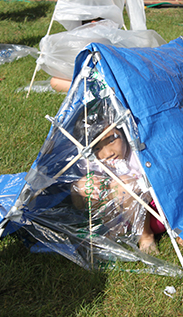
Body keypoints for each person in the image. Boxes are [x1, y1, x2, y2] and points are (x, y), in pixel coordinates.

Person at [70, 101, 164, 253]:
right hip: (121, 217)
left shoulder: (138, 154)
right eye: (97, 148)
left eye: (112, 139)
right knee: (83, 184)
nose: (108, 153)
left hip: (153, 215)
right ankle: (112, 230)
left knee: (123, 185)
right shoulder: (95, 161)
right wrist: (88, 184)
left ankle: (145, 237)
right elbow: (79, 201)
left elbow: (155, 187)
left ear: (124, 132)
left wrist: (118, 184)